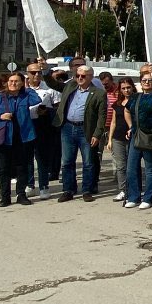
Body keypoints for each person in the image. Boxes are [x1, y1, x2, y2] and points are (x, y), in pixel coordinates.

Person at [0, 72, 43, 207]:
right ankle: (5, 197)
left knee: (22, 167)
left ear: (22, 83)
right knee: (3, 168)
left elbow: (37, 100)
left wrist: (28, 87)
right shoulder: (0, 97)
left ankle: (21, 194)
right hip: (4, 137)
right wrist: (0, 116)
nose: (13, 84)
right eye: (11, 81)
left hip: (23, 136)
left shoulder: (26, 95)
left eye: (17, 81)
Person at [54, 63, 107, 202]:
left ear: (90, 77)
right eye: (77, 75)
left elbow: (102, 116)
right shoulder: (70, 86)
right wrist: (46, 70)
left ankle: (87, 190)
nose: (79, 78)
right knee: (67, 161)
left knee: (88, 162)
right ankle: (68, 190)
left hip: (86, 130)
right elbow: (53, 84)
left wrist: (97, 134)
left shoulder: (99, 93)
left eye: (83, 76)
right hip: (68, 128)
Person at [125, 67, 152, 209]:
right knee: (131, 168)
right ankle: (133, 196)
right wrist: (130, 126)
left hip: (151, 136)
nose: (147, 82)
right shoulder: (136, 97)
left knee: (150, 169)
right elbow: (127, 110)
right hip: (136, 136)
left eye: (149, 80)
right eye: (144, 80)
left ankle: (148, 198)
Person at [25, 62, 61, 199]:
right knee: (27, 157)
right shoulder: (23, 88)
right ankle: (29, 184)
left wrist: (47, 112)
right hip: (27, 124)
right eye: (33, 73)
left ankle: (44, 186)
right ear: (27, 74)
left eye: (39, 72)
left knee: (42, 157)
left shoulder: (49, 88)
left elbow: (57, 106)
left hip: (43, 124)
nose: (36, 75)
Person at [106, 77, 135, 202]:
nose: (126, 90)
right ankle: (123, 190)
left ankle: (134, 189)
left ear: (132, 87)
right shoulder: (117, 104)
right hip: (118, 138)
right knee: (120, 166)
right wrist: (110, 140)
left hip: (132, 137)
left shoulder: (136, 101)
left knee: (132, 165)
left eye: (128, 87)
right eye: (123, 88)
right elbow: (113, 122)